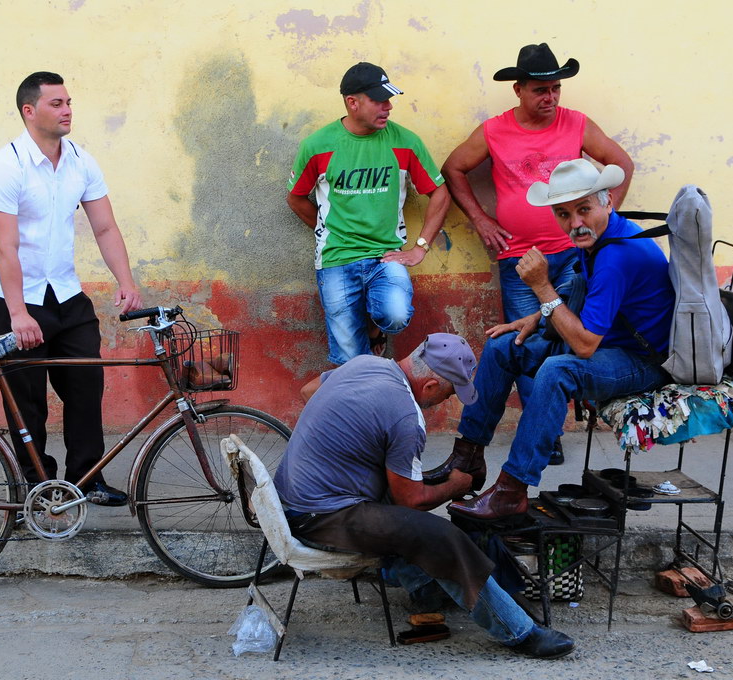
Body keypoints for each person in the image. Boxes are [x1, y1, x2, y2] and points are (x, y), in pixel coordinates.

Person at [274, 333, 576, 659]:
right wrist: (456, 487)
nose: (448, 400)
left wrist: (351, 444)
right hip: (318, 517)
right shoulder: (405, 415)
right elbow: (412, 502)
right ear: (430, 386)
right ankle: (520, 633)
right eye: (449, 392)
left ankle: (426, 589)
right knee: (438, 534)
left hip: (296, 497)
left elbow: (309, 391)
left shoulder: (365, 363)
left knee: (400, 510)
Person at [434, 43, 635, 472]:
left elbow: (620, 162)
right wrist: (481, 220)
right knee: (527, 345)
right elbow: (453, 168)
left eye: (556, 89)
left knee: (564, 341)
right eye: (541, 90)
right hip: (520, 260)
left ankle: (544, 434)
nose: (551, 98)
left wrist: (603, 216)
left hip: (572, 256)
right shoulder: (494, 130)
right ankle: (544, 435)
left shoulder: (576, 123)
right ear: (519, 90)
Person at [448, 159, 674, 521]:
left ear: (607, 202)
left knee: (557, 370)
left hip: (642, 363)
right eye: (564, 214)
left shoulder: (618, 254)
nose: (575, 223)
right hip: (610, 345)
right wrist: (537, 316)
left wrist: (540, 287)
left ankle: (512, 490)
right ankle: (467, 460)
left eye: (583, 209)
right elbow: (580, 294)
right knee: (504, 345)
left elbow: (584, 346)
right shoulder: (603, 237)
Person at [0, 71, 141, 505]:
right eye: (56, 103)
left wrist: (126, 282)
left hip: (66, 294)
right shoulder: (4, 166)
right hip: (12, 297)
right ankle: (36, 485)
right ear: (29, 111)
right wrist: (17, 315)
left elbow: (104, 226)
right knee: (27, 401)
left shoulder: (81, 161)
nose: (67, 110)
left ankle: (86, 481)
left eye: (69, 102)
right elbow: (5, 248)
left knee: (86, 388)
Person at [287, 62, 450, 364]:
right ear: (353, 102)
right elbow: (296, 198)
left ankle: (376, 329)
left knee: (396, 314)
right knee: (349, 361)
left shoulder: (405, 142)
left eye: (389, 99)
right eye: (379, 100)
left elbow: (439, 192)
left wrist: (421, 247)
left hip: (385, 256)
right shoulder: (318, 146)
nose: (388, 107)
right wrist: (327, 229)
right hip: (336, 259)